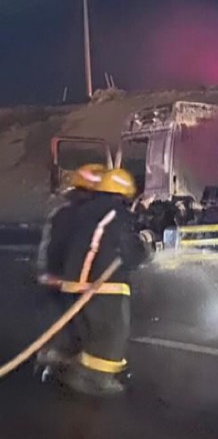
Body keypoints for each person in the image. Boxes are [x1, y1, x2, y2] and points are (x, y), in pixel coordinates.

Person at [52, 166, 147, 397]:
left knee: (88, 333)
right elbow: (130, 249)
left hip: (73, 283)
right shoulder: (116, 213)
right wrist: (142, 250)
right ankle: (97, 379)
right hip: (101, 285)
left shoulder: (85, 212)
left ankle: (75, 369)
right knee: (112, 333)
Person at [34, 163, 106, 371]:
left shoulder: (64, 213)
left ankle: (57, 360)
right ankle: (59, 362)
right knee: (74, 327)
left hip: (62, 280)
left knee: (67, 325)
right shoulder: (86, 216)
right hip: (69, 281)